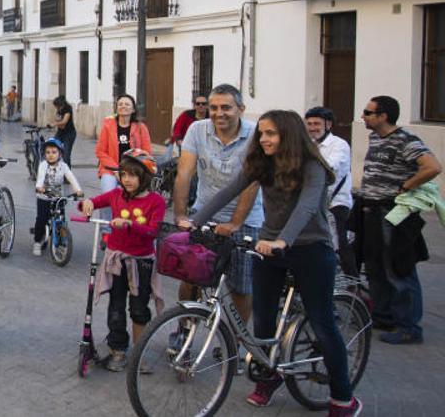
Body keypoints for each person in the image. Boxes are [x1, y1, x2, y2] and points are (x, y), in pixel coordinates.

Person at [180, 110, 363, 415]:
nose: (263, 139)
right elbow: (229, 191)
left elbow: (305, 208)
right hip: (268, 248)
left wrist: (283, 240)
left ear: (288, 135)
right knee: (263, 321)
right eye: (261, 133)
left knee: (322, 323)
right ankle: (269, 375)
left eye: (270, 134)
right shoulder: (263, 163)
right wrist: (195, 221)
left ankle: (343, 397)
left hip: (310, 249)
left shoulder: (312, 166)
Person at [172, 84, 264, 324]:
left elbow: (252, 183)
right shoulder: (197, 129)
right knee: (191, 279)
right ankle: (183, 333)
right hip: (204, 213)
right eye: (213, 108)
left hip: (246, 220)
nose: (218, 113)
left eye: (226, 107)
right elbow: (184, 174)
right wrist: (181, 215)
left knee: (240, 287)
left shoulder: (255, 134)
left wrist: (235, 222)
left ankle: (235, 343)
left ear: (241, 109)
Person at [357, 95, 442, 344]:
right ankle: (383, 316)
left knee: (398, 268)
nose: (363, 116)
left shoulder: (406, 141)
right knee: (374, 266)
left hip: (391, 213)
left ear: (383, 116)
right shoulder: (375, 137)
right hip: (370, 210)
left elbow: (433, 167)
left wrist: (406, 186)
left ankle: (409, 327)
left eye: (368, 112)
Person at [78, 150, 164, 371]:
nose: (127, 179)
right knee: (115, 306)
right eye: (124, 174)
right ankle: (118, 350)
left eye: (133, 175)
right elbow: (94, 202)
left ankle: (139, 352)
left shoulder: (156, 202)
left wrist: (129, 225)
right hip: (116, 260)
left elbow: (153, 231)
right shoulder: (116, 195)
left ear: (144, 177)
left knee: (138, 309)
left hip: (141, 262)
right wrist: (86, 203)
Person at [304, 106, 356, 275]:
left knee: (341, 243)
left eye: (316, 124)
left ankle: (352, 283)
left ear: (328, 125)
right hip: (314, 201)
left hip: (336, 201)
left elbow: (330, 166)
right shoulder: (308, 144)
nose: (312, 128)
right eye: (309, 124)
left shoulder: (339, 145)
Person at [33, 138, 83, 256]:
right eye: (48, 152)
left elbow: (71, 178)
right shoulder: (43, 165)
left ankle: (61, 242)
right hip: (44, 197)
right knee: (41, 219)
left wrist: (78, 190)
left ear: (60, 154)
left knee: (61, 220)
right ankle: (37, 242)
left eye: (54, 152)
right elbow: (40, 178)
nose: (51, 155)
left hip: (58, 198)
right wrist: (39, 187)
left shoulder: (63, 166)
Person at [94, 94, 152, 195]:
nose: (123, 106)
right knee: (108, 195)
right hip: (110, 170)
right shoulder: (108, 126)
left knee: (135, 199)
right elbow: (100, 151)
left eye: (127, 104)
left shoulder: (141, 127)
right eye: (120, 104)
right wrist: (116, 170)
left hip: (134, 170)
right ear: (117, 108)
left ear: (133, 109)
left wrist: (133, 170)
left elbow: (146, 152)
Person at [49, 95, 75, 165]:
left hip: (69, 134)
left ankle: (67, 174)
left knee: (66, 155)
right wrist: (56, 122)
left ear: (61, 105)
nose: (56, 108)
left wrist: (55, 124)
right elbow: (57, 119)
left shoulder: (68, 109)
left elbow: (64, 122)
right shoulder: (59, 110)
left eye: (57, 106)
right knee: (52, 146)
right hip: (60, 133)